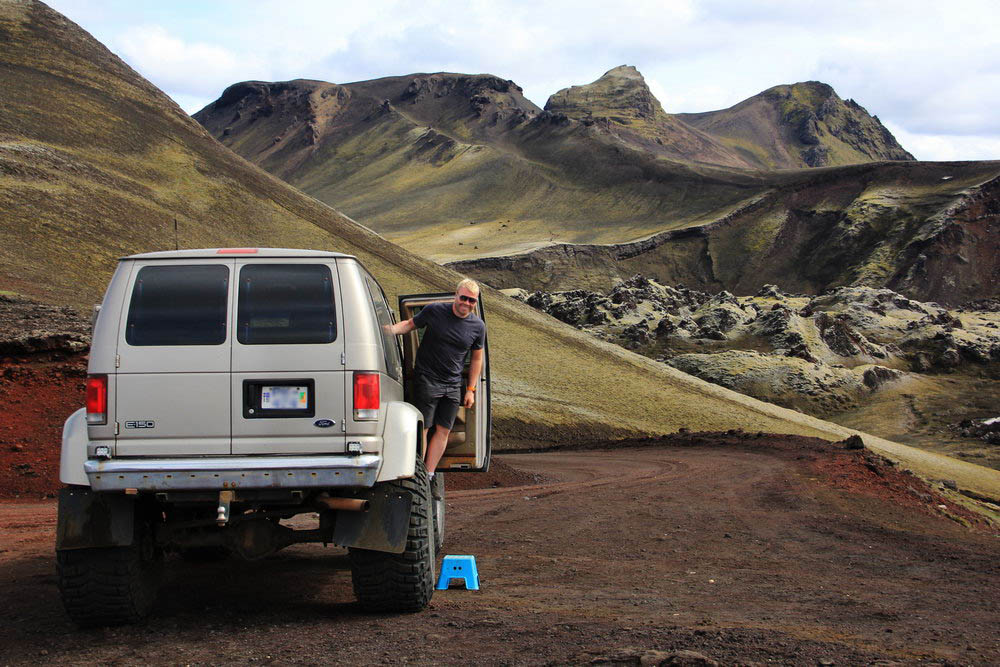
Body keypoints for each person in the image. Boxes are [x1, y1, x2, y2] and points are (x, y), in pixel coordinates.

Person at [383, 278, 486, 475]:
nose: (467, 303)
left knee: (444, 430)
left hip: (453, 384)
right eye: (463, 298)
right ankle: (417, 474)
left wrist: (471, 389)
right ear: (456, 295)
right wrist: (388, 331)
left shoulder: (477, 326)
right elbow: (410, 324)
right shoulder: (435, 310)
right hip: (427, 379)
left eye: (472, 300)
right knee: (424, 428)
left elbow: (476, 359)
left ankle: (428, 474)